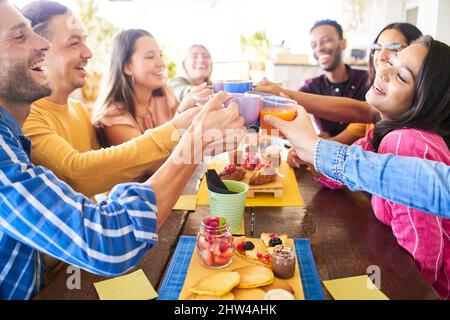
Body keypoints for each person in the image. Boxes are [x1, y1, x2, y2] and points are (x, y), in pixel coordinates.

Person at [0, 0, 245, 300]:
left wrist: (187, 133)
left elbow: (108, 177)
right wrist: (187, 137)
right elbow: (81, 178)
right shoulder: (15, 139)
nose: (88, 52)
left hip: (68, 270)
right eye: (19, 36)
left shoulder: (75, 112)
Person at [266, 36, 450, 299]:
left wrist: (390, 289)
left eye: (402, 77)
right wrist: (308, 149)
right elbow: (340, 173)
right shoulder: (386, 132)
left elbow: (423, 256)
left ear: (424, 100)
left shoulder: (407, 143)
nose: (384, 70)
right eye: (392, 62)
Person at [20, 1, 202, 197]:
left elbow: (108, 171)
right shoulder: (26, 116)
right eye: (74, 43)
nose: (88, 53)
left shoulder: (79, 110)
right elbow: (78, 175)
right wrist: (178, 127)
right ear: (38, 52)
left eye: (84, 40)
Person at [329, 23, 422, 146]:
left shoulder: (410, 142)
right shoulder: (377, 105)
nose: (380, 57)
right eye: (377, 48)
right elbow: (336, 150)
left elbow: (359, 110)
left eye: (394, 49)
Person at [302, 19, 369, 137]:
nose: (319, 48)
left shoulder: (367, 80)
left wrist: (331, 142)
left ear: (343, 43)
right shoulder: (311, 87)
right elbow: (288, 106)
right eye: (314, 45)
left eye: (326, 40)